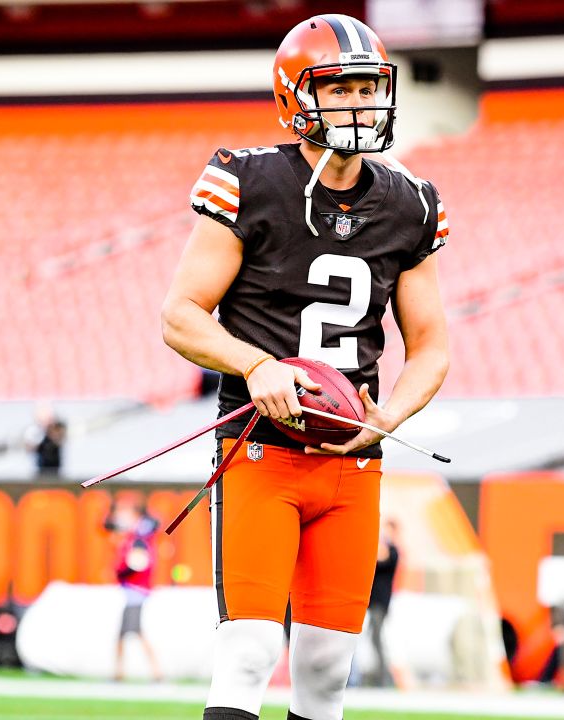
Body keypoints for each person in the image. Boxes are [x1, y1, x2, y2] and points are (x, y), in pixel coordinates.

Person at [161, 13, 450, 720]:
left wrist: (395, 410)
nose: (360, 104)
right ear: (297, 97)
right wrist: (258, 365)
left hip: (352, 462)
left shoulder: (409, 202)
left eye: (368, 88)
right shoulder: (248, 180)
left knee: (327, 668)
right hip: (262, 452)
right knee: (251, 650)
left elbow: (432, 344)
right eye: (341, 88)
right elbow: (181, 314)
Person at [109, 503, 164, 682]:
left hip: (135, 592)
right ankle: (120, 673)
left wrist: (120, 571)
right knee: (128, 633)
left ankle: (154, 673)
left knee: (133, 633)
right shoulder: (135, 537)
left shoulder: (139, 539)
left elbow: (137, 563)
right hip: (134, 592)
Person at [361, 518, 399, 687]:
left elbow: (380, 560)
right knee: (372, 638)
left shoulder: (392, 551)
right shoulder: (384, 549)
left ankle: (384, 677)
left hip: (380, 603)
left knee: (377, 638)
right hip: (373, 601)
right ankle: (375, 675)